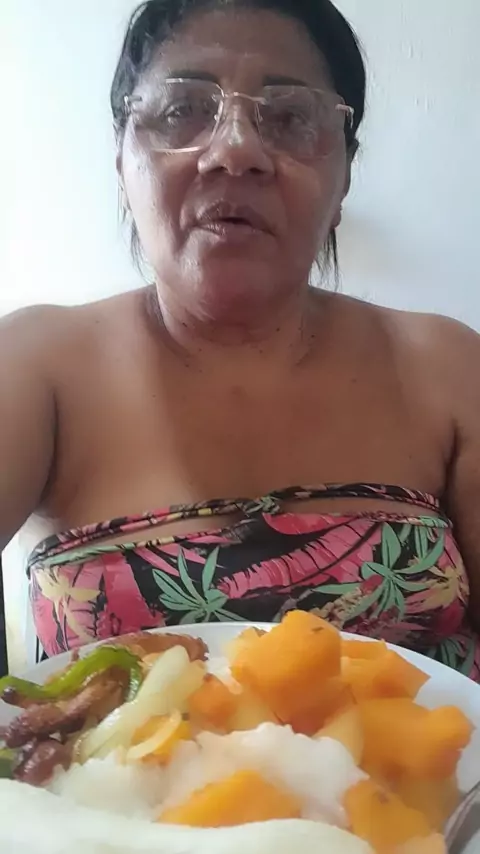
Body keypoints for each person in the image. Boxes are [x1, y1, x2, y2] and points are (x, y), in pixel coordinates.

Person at [2, 0, 480, 678]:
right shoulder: (33, 365)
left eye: (290, 118)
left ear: (344, 176)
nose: (235, 152)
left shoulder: (447, 365)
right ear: (122, 158)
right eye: (182, 109)